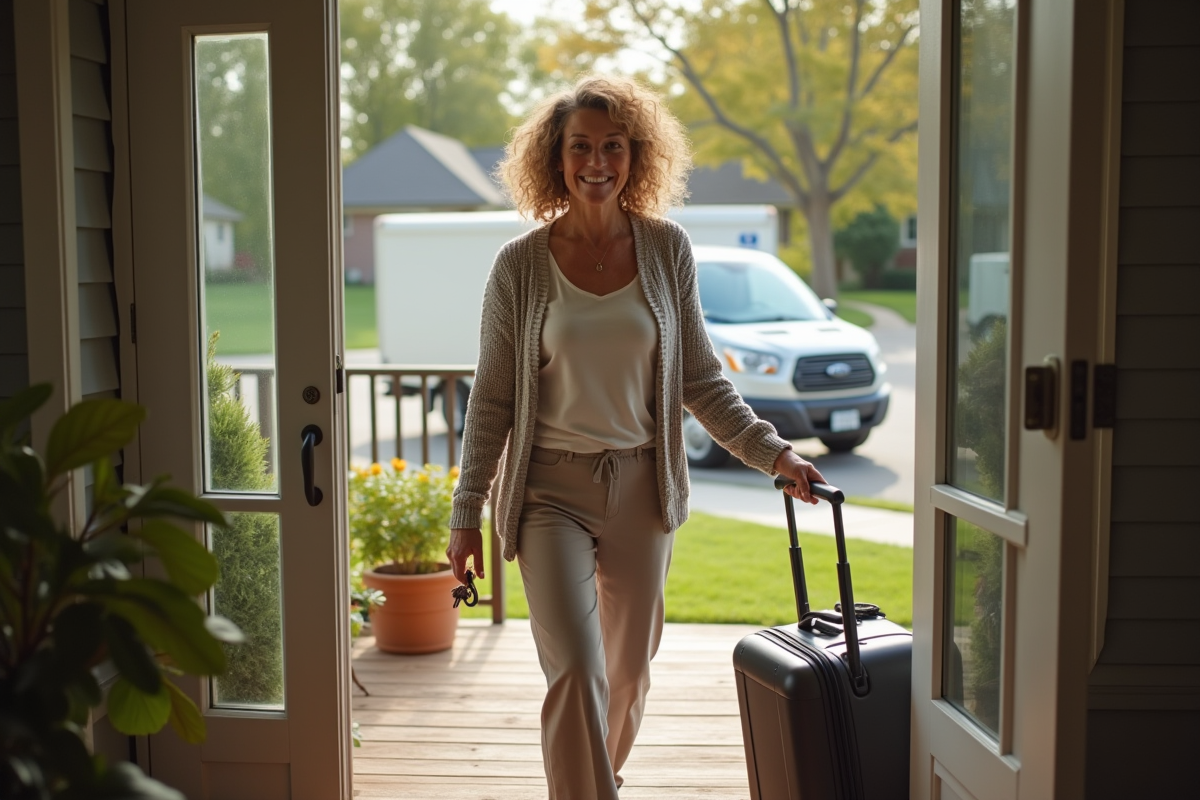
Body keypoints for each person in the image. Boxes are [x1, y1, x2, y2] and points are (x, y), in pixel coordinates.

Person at [446, 74, 826, 800]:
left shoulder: (665, 249)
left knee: (627, 673)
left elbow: (701, 381)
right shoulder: (519, 266)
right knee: (577, 671)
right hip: (548, 491)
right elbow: (492, 402)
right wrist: (467, 512)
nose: (597, 161)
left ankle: (600, 777)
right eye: (580, 146)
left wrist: (774, 454)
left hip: (643, 495)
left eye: (612, 146)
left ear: (635, 155)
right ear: (555, 158)